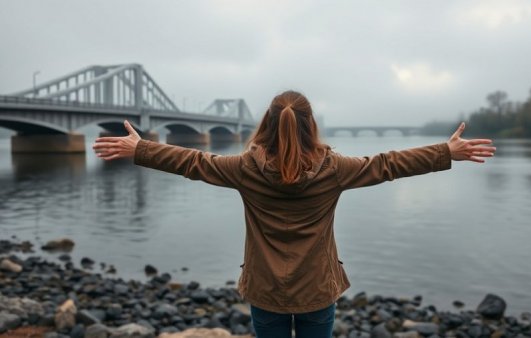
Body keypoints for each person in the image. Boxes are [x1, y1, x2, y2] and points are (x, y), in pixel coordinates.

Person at [92, 90, 495, 338]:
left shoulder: (244, 170)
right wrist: (446, 152)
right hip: (317, 290)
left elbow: (194, 161)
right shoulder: (335, 170)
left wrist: (140, 149)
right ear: (310, 125)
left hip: (265, 290)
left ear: (267, 124)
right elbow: (388, 163)